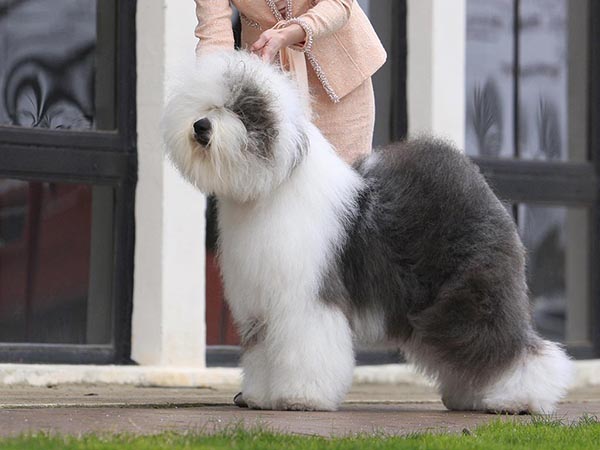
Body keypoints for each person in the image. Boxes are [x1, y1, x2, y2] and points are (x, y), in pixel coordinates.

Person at [194, 0, 387, 163]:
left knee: (345, 193)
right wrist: (212, 91)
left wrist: (290, 33)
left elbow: (338, 3)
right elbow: (214, 32)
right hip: (264, 95)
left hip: (339, 77)